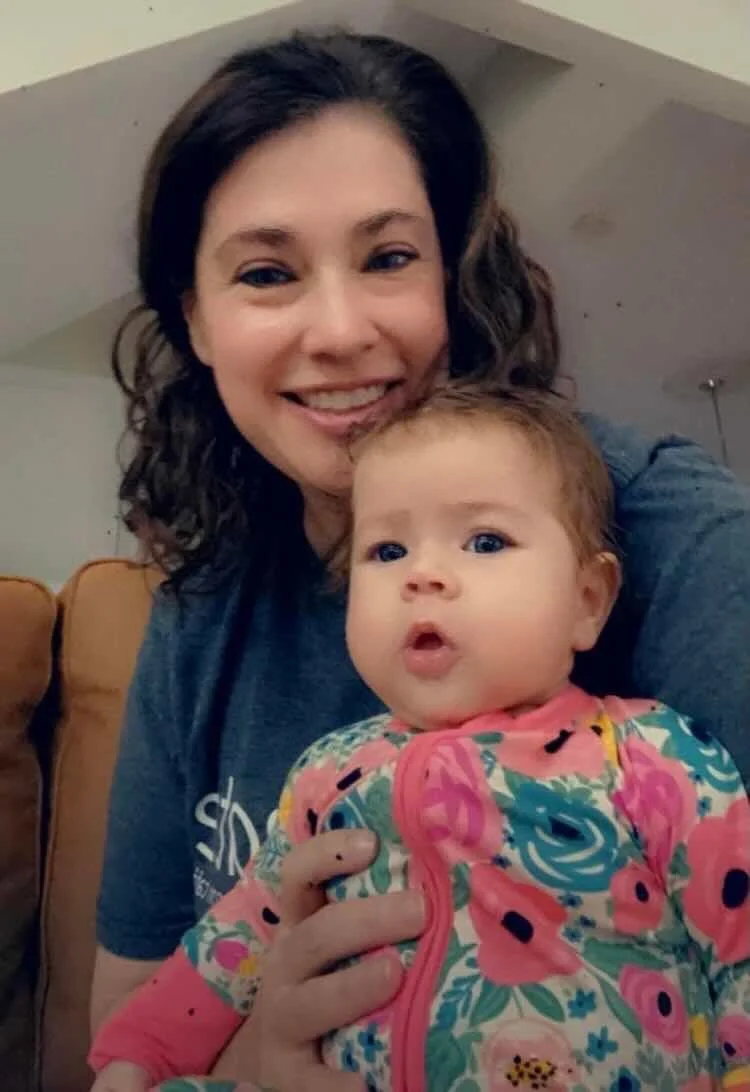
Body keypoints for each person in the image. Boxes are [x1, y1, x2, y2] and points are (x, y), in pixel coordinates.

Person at [91, 29, 750, 1092]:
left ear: (454, 274)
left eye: (390, 257)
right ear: (195, 321)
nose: (340, 330)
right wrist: (262, 1061)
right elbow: (129, 1018)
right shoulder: (206, 613)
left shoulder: (680, 542)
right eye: (266, 273)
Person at [89, 384, 750, 1092]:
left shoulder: (655, 756)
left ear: (587, 601)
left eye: (485, 541)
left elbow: (739, 950)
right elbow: (240, 931)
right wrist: (141, 1055)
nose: (422, 575)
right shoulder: (327, 772)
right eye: (387, 550)